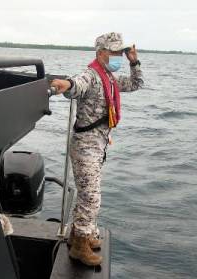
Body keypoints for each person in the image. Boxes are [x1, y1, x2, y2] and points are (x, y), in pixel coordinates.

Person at [51, 32, 143, 266]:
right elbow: (76, 85)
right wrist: (66, 84)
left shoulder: (110, 78)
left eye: (119, 53)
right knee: (91, 197)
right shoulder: (91, 75)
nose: (117, 57)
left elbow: (135, 84)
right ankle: (80, 245)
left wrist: (134, 62)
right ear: (100, 53)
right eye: (113, 53)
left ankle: (79, 233)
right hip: (85, 146)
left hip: (98, 144)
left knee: (87, 193)